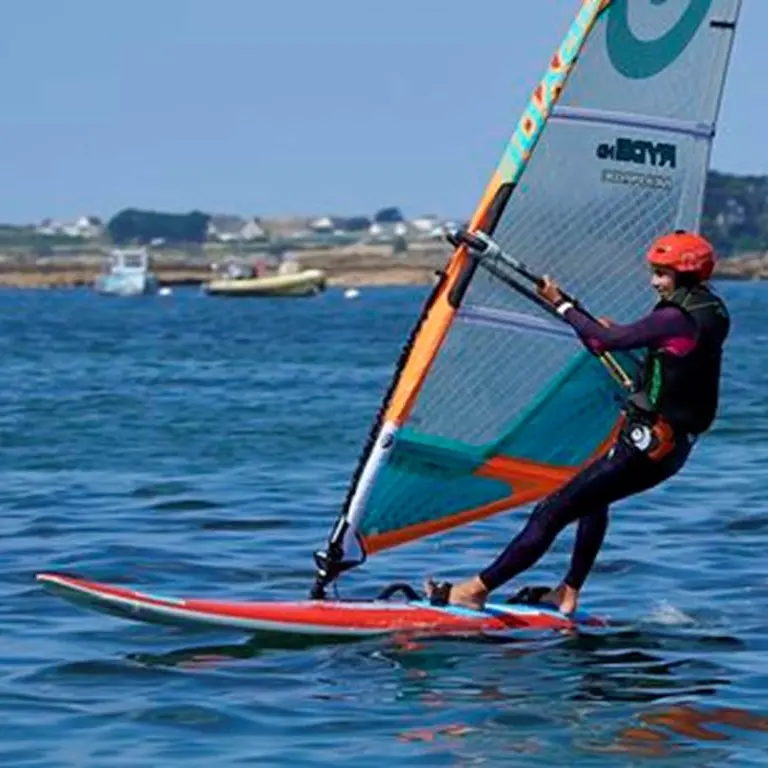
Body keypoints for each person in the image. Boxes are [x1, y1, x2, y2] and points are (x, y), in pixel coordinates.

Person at [425, 230, 730, 614]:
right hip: (670, 448)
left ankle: (475, 590)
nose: (654, 282)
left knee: (551, 512)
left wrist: (564, 306)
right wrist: (586, 321)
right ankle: (567, 593)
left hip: (647, 447)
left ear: (684, 275)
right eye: (654, 272)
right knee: (593, 503)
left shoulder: (673, 317)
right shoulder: (710, 310)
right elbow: (634, 345)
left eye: (662, 274)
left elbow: (606, 340)